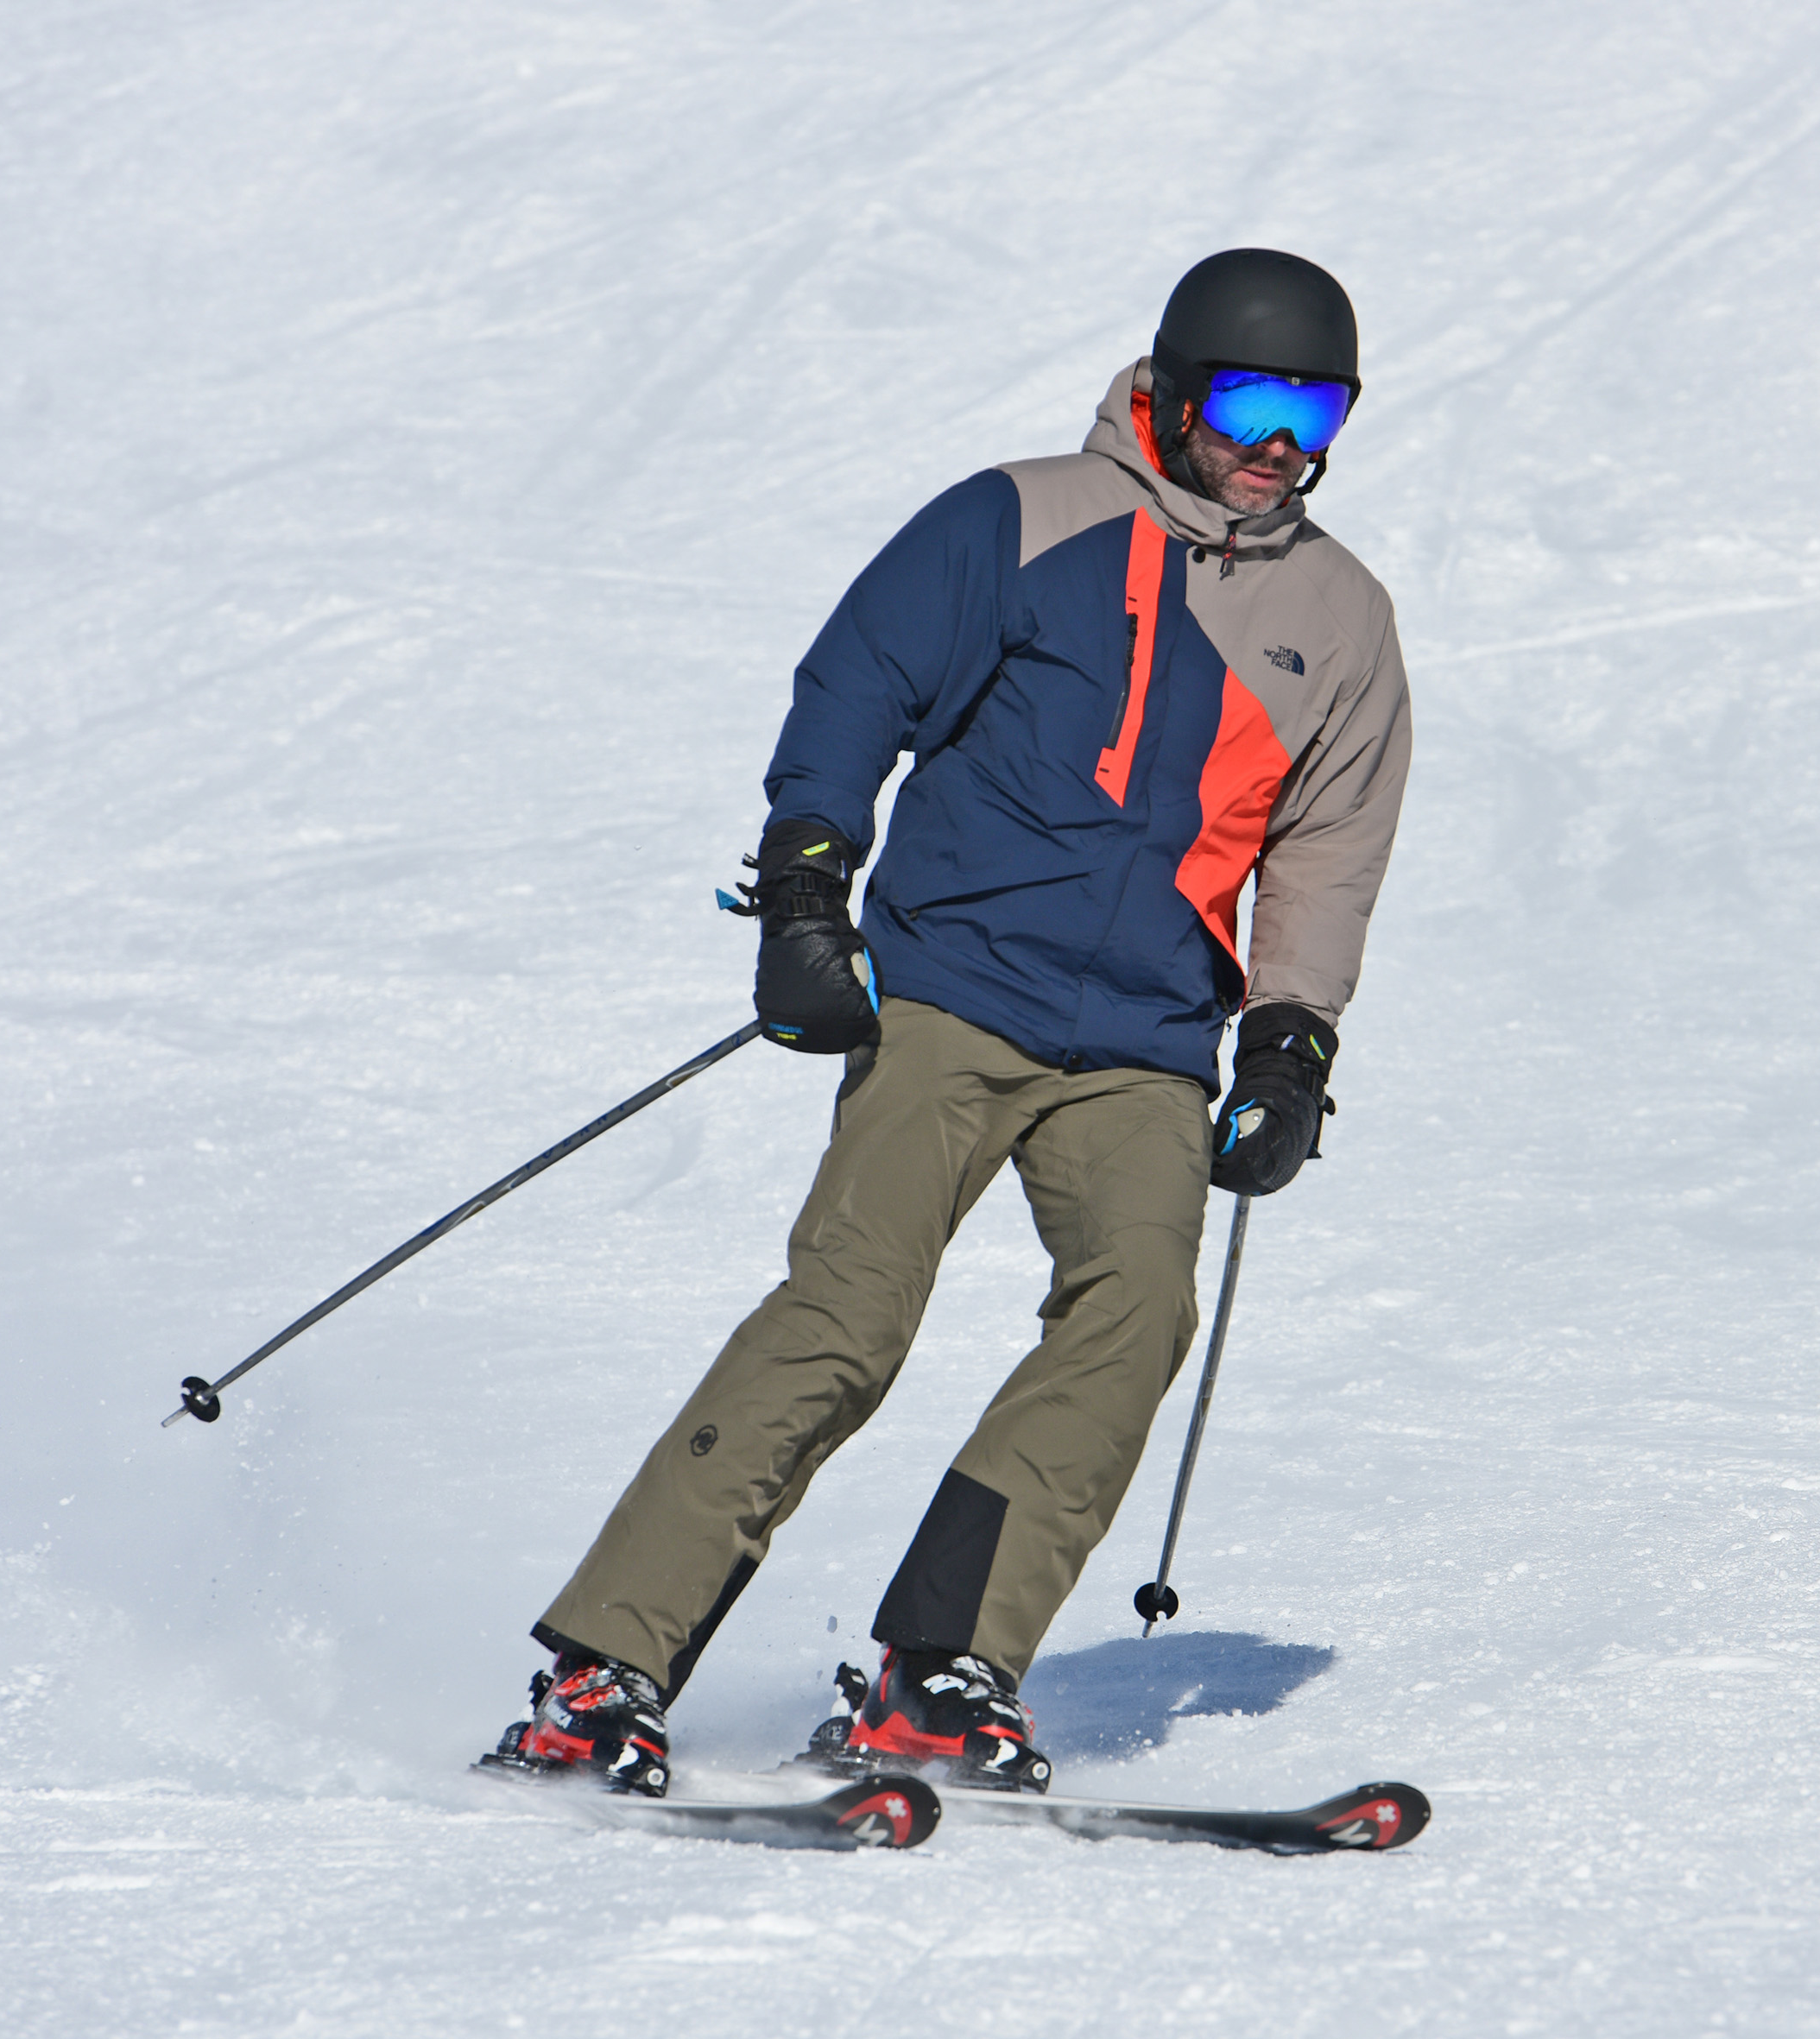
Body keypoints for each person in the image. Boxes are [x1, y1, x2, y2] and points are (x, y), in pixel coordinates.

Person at [483, 249, 1412, 1798]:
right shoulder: (1025, 517)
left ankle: (939, 1668)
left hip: (1146, 1037)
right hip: (950, 991)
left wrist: (1293, 1039)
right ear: (1176, 390)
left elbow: (1327, 843)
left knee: (1139, 1306)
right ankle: (605, 1667)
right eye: (1251, 401)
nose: (1278, 444)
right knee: (848, 1319)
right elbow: (861, 686)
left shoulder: (1343, 615)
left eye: (1315, 410)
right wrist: (804, 890)